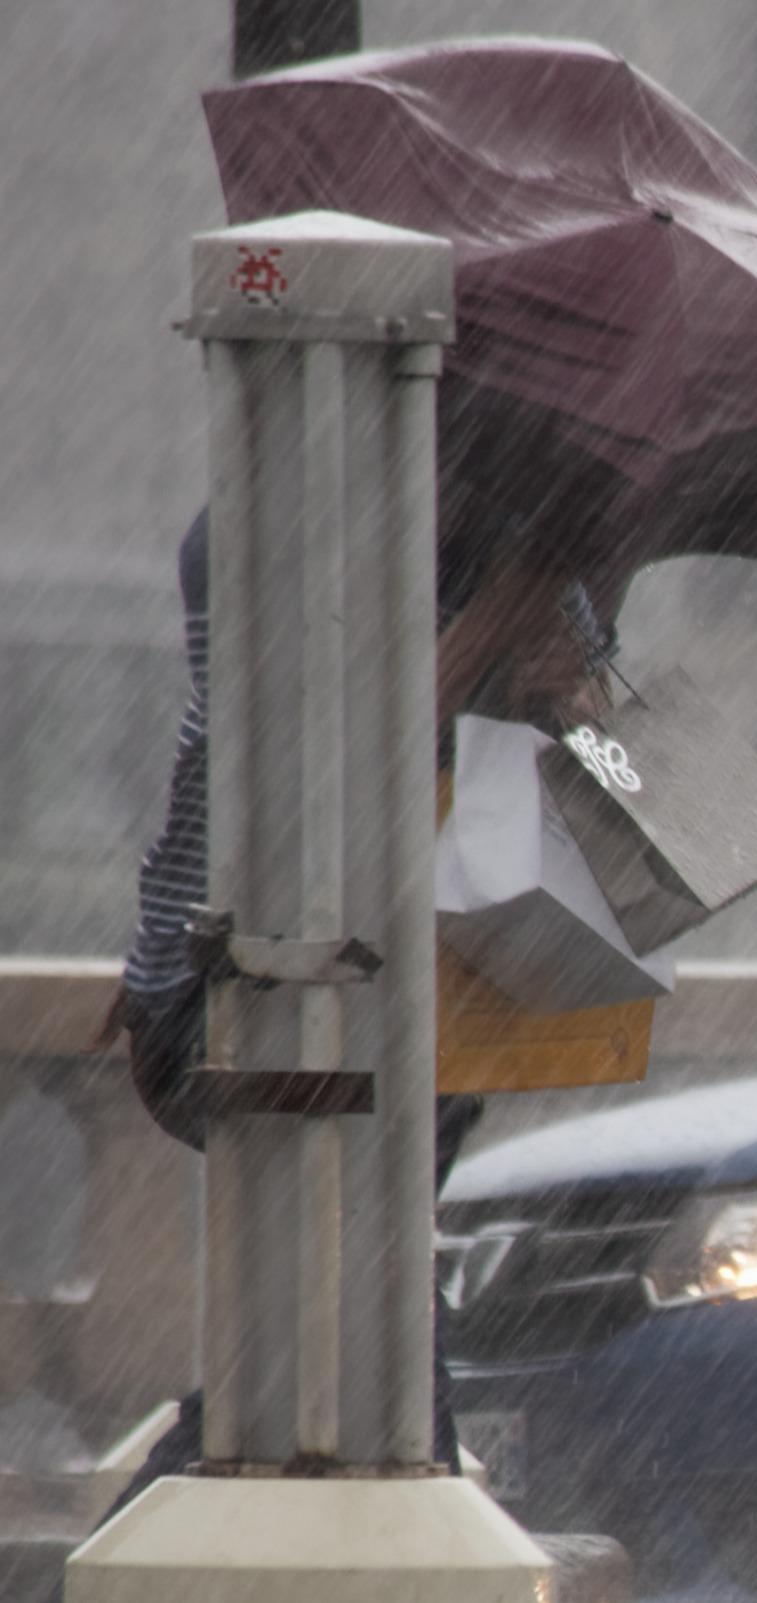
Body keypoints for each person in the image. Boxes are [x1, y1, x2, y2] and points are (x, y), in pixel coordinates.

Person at [91, 495, 616, 1531]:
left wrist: (574, 694)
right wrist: (486, 629)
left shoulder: (538, 543)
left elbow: (602, 764)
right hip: (268, 982)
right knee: (353, 1304)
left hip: (444, 993)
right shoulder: (284, 503)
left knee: (347, 1311)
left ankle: (204, 1514)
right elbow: (307, 765)